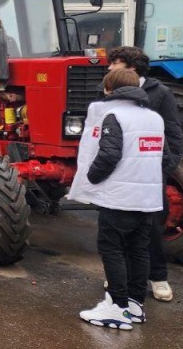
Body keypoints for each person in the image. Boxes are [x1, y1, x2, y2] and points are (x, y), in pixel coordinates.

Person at [69, 68, 164, 330]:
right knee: (138, 250)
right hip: (148, 198)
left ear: (110, 89)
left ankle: (117, 307)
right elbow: (162, 156)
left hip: (120, 198)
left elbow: (109, 155)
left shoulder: (114, 116)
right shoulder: (154, 118)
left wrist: (92, 177)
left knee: (112, 249)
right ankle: (135, 306)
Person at [107, 45, 183, 302]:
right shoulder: (106, 91)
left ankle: (158, 277)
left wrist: (164, 168)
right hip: (118, 173)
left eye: (115, 63)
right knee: (117, 227)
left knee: (150, 226)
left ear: (131, 67)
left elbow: (173, 133)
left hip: (150, 174)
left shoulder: (160, 93)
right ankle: (121, 276)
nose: (109, 67)